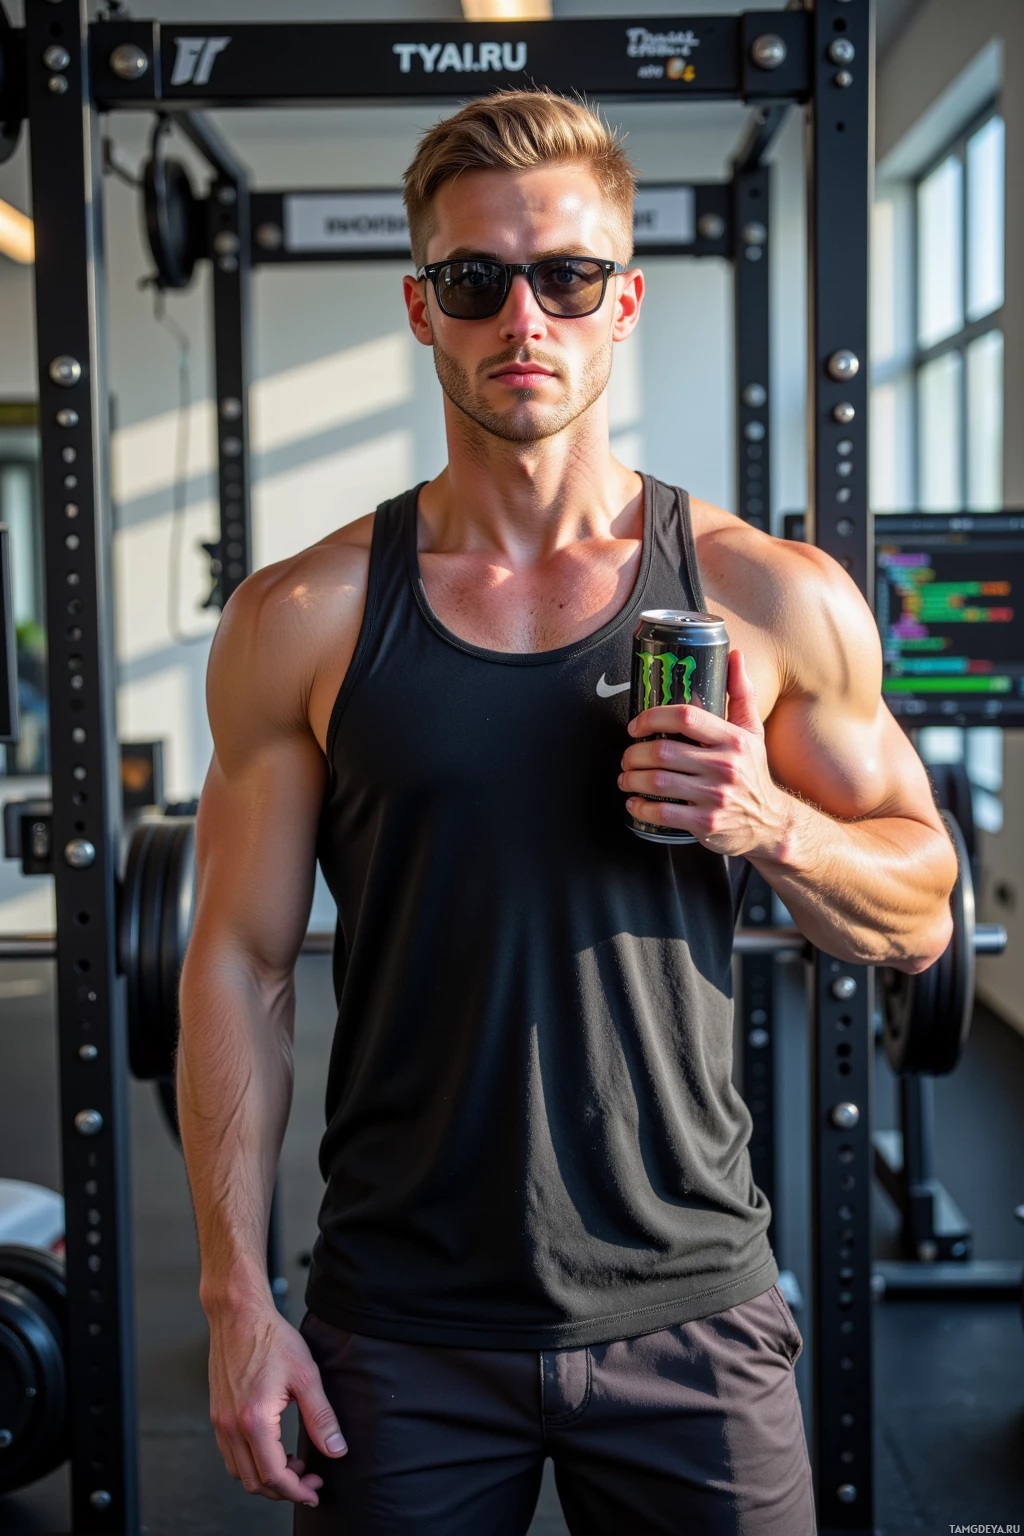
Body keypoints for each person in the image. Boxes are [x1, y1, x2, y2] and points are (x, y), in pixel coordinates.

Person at [176, 90, 957, 1536]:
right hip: (398, 1327)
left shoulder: (769, 595)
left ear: (624, 301)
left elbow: (922, 907)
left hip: (694, 1310)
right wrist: (236, 1296)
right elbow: (237, 960)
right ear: (423, 309)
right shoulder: (303, 616)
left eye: (567, 278)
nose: (521, 318)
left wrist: (771, 823)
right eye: (476, 281)